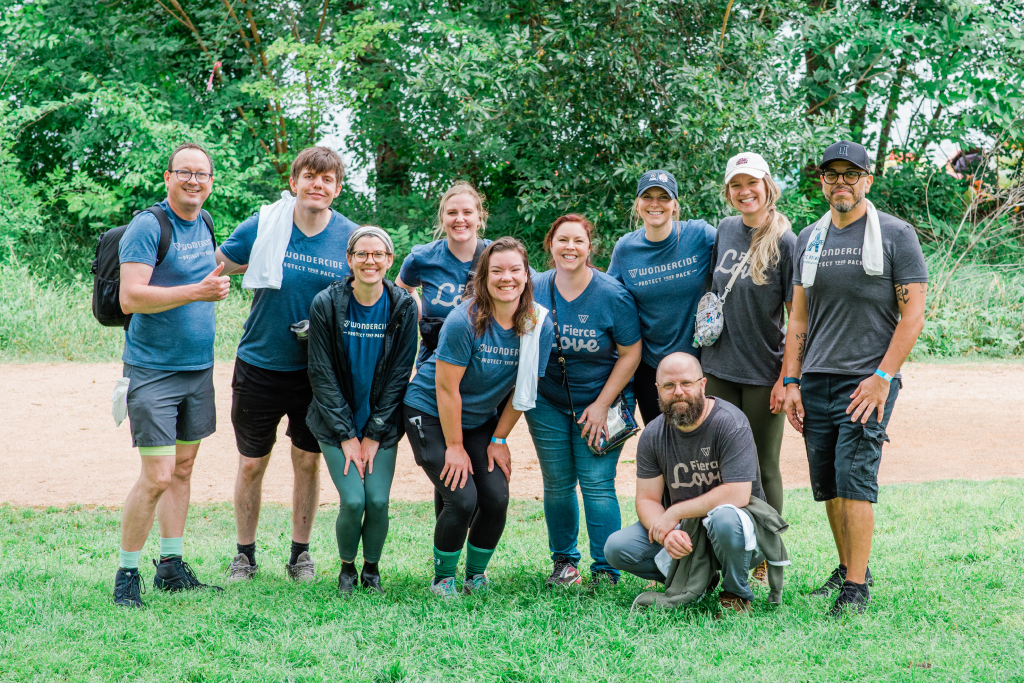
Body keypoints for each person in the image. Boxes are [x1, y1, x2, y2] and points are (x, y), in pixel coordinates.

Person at [782, 140, 927, 616]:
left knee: (854, 479)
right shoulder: (809, 239)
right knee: (827, 482)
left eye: (850, 174)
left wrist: (883, 376)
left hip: (867, 380)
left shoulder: (895, 234)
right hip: (817, 377)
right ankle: (845, 568)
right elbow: (798, 319)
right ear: (822, 182)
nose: (840, 183)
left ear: (867, 180)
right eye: (831, 175)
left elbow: (913, 316)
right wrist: (792, 380)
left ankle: (857, 587)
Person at [215, 147, 358, 582]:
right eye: (310, 176)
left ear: (337, 188)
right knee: (252, 463)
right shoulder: (264, 224)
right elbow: (216, 267)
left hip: (317, 372)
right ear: (294, 182)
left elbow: (369, 293)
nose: (318, 184)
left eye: (328, 179)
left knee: (307, 462)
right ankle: (244, 554)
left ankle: (300, 554)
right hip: (260, 360)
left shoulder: (351, 237)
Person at [403, 237, 555, 598]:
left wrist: (499, 439)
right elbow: (445, 389)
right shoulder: (463, 319)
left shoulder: (536, 322)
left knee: (497, 497)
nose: (507, 278)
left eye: (515, 270)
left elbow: (525, 390)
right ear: (484, 276)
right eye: (497, 270)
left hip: (479, 419)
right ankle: (443, 579)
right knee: (462, 497)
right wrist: (454, 447)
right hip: (429, 410)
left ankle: (475, 576)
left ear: (527, 276)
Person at [113, 143, 228, 607]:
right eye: (185, 172)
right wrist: (197, 292)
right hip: (153, 371)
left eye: (202, 174)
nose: (194, 181)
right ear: (168, 177)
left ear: (211, 182)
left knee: (182, 469)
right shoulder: (148, 226)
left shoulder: (204, 221)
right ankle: (126, 573)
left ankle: (172, 566)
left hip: (198, 370)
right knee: (157, 475)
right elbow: (130, 297)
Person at [604, 353, 770, 614]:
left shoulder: (730, 422)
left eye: (686, 383)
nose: (678, 392)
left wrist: (675, 512)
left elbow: (738, 494)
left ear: (702, 384)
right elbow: (647, 499)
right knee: (616, 548)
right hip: (685, 533)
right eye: (669, 386)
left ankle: (736, 592)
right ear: (658, 390)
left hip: (740, 530)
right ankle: (698, 579)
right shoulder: (653, 434)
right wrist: (667, 533)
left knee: (724, 518)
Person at [525, 214, 642, 586]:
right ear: (550, 245)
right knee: (557, 483)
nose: (569, 247)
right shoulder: (534, 287)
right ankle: (564, 562)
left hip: (601, 400)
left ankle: (607, 568)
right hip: (548, 400)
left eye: (578, 241)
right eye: (562, 240)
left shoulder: (611, 293)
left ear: (590, 247)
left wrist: (602, 404)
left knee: (596, 484)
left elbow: (631, 354)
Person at [306, 226, 418, 596]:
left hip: (380, 423)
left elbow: (400, 373)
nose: (370, 261)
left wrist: (372, 434)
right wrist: (347, 436)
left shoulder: (403, 306)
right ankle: (346, 569)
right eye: (362, 254)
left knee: (379, 500)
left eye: (378, 255)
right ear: (350, 259)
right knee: (354, 500)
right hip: (335, 422)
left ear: (389, 260)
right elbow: (321, 374)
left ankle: (372, 570)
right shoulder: (326, 302)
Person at [702, 152, 796, 518]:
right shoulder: (725, 229)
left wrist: (786, 379)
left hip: (763, 373)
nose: (745, 191)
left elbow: (797, 317)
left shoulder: (786, 242)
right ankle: (724, 547)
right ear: (729, 192)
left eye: (751, 183)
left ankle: (767, 555)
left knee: (762, 466)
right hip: (718, 369)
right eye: (736, 185)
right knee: (717, 463)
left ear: (767, 185)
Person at [608, 169, 716, 426]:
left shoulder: (700, 236)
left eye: (664, 197)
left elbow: (738, 250)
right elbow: (609, 299)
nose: (655, 204)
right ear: (638, 203)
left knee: (705, 442)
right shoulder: (625, 248)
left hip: (703, 361)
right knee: (663, 441)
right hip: (651, 367)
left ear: (675, 205)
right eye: (647, 196)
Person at [396, 181, 492, 366]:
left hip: (482, 368)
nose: (460, 219)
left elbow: (531, 286)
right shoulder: (422, 258)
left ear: (479, 218)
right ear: (442, 218)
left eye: (467, 212)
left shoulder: (498, 257)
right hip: (432, 363)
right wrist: (423, 316)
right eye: (452, 213)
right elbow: (401, 290)